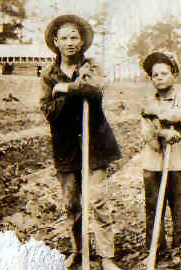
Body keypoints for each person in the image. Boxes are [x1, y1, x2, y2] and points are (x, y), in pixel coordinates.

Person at [40, 14, 122, 270]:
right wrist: (73, 91)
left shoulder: (92, 66)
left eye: (74, 37)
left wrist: (66, 89)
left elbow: (95, 89)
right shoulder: (48, 73)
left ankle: (107, 256)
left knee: (97, 200)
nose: (70, 42)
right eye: (64, 38)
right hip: (66, 147)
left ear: (83, 40)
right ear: (56, 41)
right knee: (72, 204)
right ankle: (79, 251)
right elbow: (47, 110)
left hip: (95, 143)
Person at [140, 51, 181, 266]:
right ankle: (156, 249)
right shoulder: (146, 101)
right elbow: (147, 134)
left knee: (179, 206)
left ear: (174, 74)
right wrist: (162, 133)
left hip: (178, 162)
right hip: (153, 162)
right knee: (153, 207)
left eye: (164, 73)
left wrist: (156, 115)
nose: (159, 78)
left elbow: (180, 115)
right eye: (155, 75)